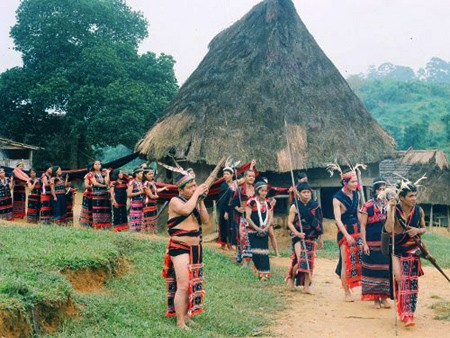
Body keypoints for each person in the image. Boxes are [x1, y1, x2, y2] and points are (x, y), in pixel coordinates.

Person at [162, 172, 209, 330]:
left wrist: (201, 201)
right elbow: (184, 211)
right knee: (183, 285)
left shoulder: (195, 201)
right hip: (179, 246)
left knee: (191, 284)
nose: (193, 189)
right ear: (181, 190)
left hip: (195, 247)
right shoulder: (175, 200)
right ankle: (180, 321)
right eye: (190, 187)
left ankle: (187, 316)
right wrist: (197, 194)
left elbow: (206, 221)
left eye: (194, 186)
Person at [385, 179, 426, 327]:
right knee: (400, 279)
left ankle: (409, 314)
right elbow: (389, 229)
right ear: (401, 197)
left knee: (411, 281)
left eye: (415, 195)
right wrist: (390, 210)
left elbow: (424, 228)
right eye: (410, 196)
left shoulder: (419, 210)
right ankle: (403, 310)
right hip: (397, 250)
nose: (414, 198)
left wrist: (417, 231)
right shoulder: (395, 210)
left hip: (413, 251)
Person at [286, 182, 323, 293]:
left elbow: (319, 223)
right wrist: (297, 233)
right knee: (302, 260)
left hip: (311, 236)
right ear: (299, 194)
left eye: (308, 192)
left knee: (309, 262)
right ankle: (291, 277)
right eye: (304, 192)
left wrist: (320, 238)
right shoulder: (295, 206)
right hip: (298, 237)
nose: (306, 194)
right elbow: (289, 223)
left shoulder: (315, 206)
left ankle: (306, 287)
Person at [360, 177, 391, 308]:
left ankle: (384, 298)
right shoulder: (367, 206)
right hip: (371, 245)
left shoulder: (389, 205)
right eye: (379, 189)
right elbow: (362, 226)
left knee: (385, 271)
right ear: (375, 190)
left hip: (385, 245)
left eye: (384, 189)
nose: (382, 191)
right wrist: (364, 243)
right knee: (373, 272)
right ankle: (376, 299)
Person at [333, 168, 363, 302]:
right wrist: (347, 236)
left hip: (356, 229)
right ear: (345, 182)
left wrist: (362, 231)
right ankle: (346, 292)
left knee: (359, 259)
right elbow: (338, 220)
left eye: (356, 181)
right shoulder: (337, 198)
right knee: (345, 261)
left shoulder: (357, 194)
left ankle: (361, 287)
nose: (355, 184)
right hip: (344, 231)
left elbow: (358, 213)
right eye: (353, 181)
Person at [245, 181, 273, 280]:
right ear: (257, 191)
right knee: (255, 252)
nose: (264, 193)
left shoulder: (268, 203)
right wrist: (257, 229)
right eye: (262, 191)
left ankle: (265, 274)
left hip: (263, 231)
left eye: (265, 191)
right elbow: (248, 217)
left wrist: (265, 228)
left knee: (264, 252)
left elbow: (270, 217)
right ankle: (258, 271)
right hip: (253, 231)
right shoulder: (251, 202)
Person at [231, 169, 256, 264]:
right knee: (242, 236)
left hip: (253, 216)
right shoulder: (240, 189)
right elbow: (233, 203)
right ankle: (240, 252)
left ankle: (250, 258)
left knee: (250, 237)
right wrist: (238, 209)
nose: (251, 178)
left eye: (253, 177)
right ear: (245, 177)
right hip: (243, 216)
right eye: (249, 176)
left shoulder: (256, 189)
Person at [143, 168, 167, 233]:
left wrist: (164, 188)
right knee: (149, 218)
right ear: (145, 175)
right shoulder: (146, 184)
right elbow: (151, 196)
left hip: (153, 202)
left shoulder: (152, 182)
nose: (151, 175)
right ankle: (148, 232)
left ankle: (152, 232)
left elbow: (156, 190)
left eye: (152, 174)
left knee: (153, 217)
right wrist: (157, 197)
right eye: (149, 174)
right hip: (148, 203)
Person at [91, 160, 112, 229]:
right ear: (93, 166)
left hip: (105, 195)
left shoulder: (103, 173)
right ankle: (97, 225)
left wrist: (108, 174)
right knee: (98, 209)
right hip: (97, 195)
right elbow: (95, 183)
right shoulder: (91, 174)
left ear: (101, 165)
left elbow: (107, 182)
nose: (97, 165)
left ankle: (106, 225)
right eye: (96, 164)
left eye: (99, 164)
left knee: (105, 209)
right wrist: (105, 186)